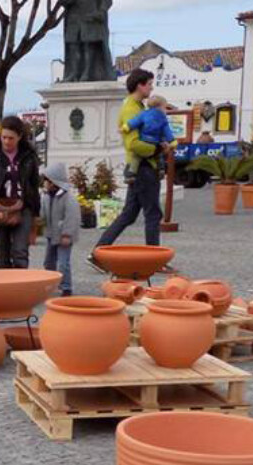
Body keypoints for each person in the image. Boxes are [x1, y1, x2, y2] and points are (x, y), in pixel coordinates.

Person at [92, 69, 163, 264]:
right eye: (149, 83)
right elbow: (133, 143)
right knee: (153, 213)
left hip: (139, 166)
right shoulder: (132, 109)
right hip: (143, 166)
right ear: (139, 85)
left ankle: (97, 253)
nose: (151, 87)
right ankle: (154, 259)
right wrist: (157, 148)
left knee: (129, 214)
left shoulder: (138, 106)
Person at [0, 115, 41, 270]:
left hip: (23, 206)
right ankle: (4, 288)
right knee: (2, 253)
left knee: (20, 251)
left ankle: (20, 287)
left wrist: (35, 212)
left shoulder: (29, 156)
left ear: (19, 137)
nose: (6, 141)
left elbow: (34, 184)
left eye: (10, 138)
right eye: (4, 137)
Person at [41, 163, 80, 296]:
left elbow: (72, 217)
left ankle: (66, 287)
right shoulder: (46, 197)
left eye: (46, 180)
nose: (44, 183)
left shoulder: (68, 198)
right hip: (51, 234)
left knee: (63, 263)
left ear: (53, 182)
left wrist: (67, 234)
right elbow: (43, 214)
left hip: (64, 236)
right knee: (48, 262)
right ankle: (50, 284)